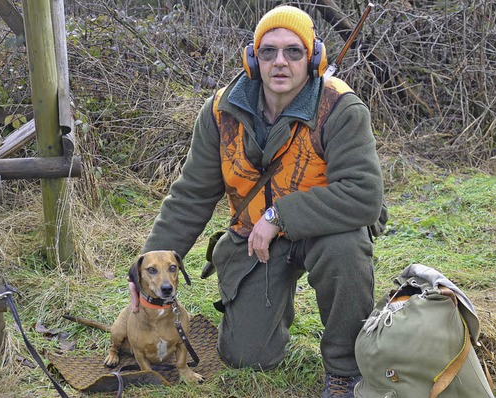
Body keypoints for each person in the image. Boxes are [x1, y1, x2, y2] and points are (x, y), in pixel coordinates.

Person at [137, 5, 385, 397]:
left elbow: (363, 195)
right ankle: (268, 312)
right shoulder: (222, 112)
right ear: (253, 59)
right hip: (253, 237)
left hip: (325, 231)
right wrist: (146, 269)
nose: (280, 62)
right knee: (247, 356)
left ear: (313, 57)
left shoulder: (341, 107)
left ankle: (344, 368)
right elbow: (191, 197)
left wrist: (279, 215)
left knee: (346, 248)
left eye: (293, 51)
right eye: (268, 51)